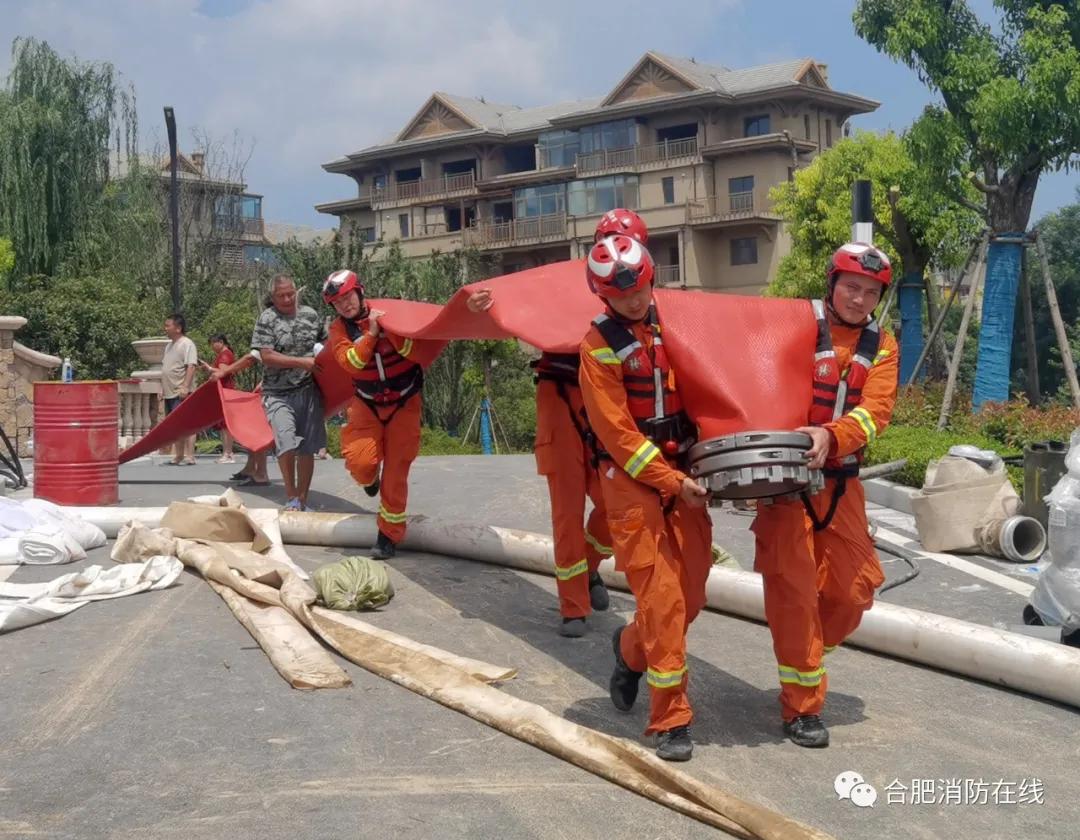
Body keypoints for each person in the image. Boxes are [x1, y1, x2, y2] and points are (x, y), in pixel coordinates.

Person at [751, 242, 899, 749]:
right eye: (851, 287)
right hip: (785, 485)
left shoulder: (883, 344)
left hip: (842, 484)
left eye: (870, 292)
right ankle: (801, 708)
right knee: (793, 594)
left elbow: (875, 410)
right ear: (831, 285)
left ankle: (806, 653)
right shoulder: (793, 323)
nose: (859, 300)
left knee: (853, 593)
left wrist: (832, 436)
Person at [577, 234, 712, 762]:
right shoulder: (597, 347)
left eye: (640, 288)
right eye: (620, 292)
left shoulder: (676, 321)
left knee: (691, 597)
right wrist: (672, 481)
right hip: (634, 483)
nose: (634, 299)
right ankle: (670, 720)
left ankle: (630, 650)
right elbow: (619, 436)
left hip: (683, 470)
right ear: (601, 293)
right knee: (662, 599)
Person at [324, 269, 423, 560]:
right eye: (337, 302)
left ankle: (388, 536)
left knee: (396, 473)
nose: (344, 305)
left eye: (347, 297)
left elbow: (414, 350)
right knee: (361, 462)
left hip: (405, 403)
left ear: (359, 291)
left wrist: (389, 327)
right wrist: (372, 334)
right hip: (366, 404)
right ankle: (369, 481)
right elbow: (352, 363)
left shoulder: (390, 313)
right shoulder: (338, 330)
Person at [250, 274, 328, 511]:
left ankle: (302, 499)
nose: (287, 299)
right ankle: (291, 495)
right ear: (272, 297)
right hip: (277, 393)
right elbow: (267, 356)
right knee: (286, 442)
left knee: (307, 448)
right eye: (281, 295)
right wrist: (303, 362)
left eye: (290, 294)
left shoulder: (311, 315)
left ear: (296, 291)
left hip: (308, 391)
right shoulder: (267, 318)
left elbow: (326, 347)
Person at [208, 349, 271, 486]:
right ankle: (251, 468)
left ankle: (261, 473)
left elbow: (251, 357)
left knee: (257, 429)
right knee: (255, 426)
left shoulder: (271, 335)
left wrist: (223, 371)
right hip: (280, 386)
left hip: (279, 390)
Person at [161, 313, 197, 466]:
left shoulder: (187, 344)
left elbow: (191, 366)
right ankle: (179, 455)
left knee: (187, 423)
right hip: (169, 391)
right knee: (175, 425)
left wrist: (185, 386)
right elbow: (166, 368)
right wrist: (161, 389)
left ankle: (190, 456)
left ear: (178, 328)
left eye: (168, 325)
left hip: (181, 391)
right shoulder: (169, 346)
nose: (165, 328)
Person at [202, 333, 237, 463]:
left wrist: (210, 368)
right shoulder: (226, 354)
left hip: (225, 391)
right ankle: (228, 452)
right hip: (224, 391)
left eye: (213, 343)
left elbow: (223, 371)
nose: (212, 347)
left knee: (225, 425)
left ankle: (227, 453)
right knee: (224, 425)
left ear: (220, 342)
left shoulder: (225, 355)